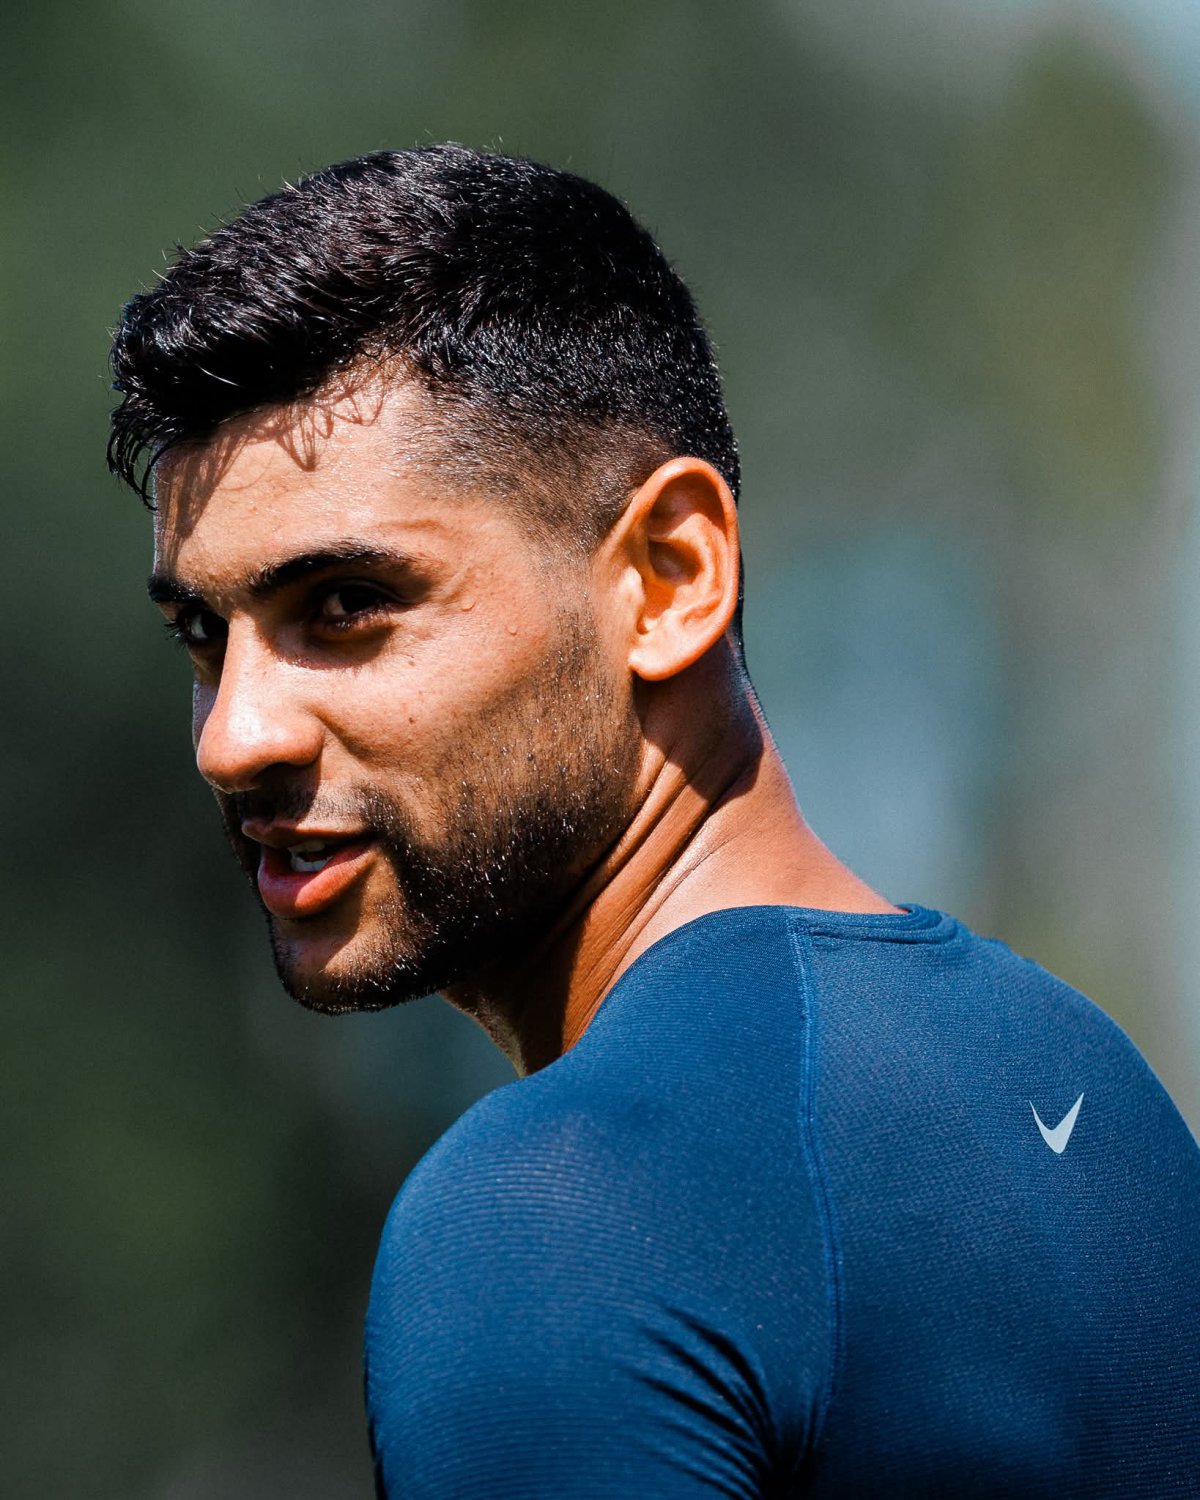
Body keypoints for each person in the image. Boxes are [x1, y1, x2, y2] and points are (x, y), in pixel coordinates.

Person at [107, 145, 1200, 1498]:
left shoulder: (556, 1212)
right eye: (204, 636)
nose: (232, 739)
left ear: (672, 577)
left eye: (345, 606)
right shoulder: (1094, 1096)